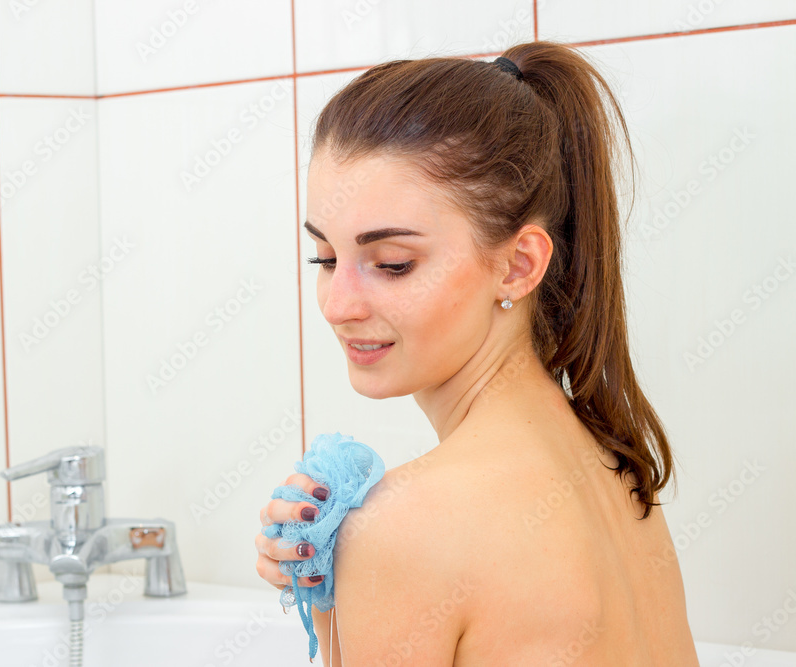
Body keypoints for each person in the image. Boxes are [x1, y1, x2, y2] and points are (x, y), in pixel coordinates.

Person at [254, 40, 699, 665]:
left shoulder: (407, 527)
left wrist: (361, 561)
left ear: (519, 266)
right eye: (325, 258)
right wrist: (331, 590)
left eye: (392, 264)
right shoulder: (617, 472)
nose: (337, 304)